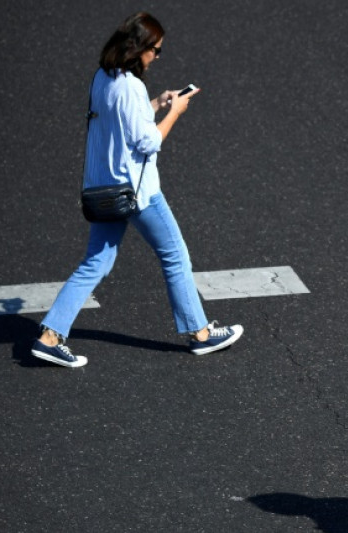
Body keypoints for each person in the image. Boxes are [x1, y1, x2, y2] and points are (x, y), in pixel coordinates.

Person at [31, 12, 243, 368]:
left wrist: (157, 104)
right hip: (136, 192)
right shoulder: (131, 86)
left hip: (104, 189)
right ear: (138, 48)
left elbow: (121, 123)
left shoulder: (103, 78)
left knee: (95, 262)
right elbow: (146, 141)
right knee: (175, 255)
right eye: (155, 50)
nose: (157, 57)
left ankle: (49, 336)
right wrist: (175, 112)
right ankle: (200, 334)